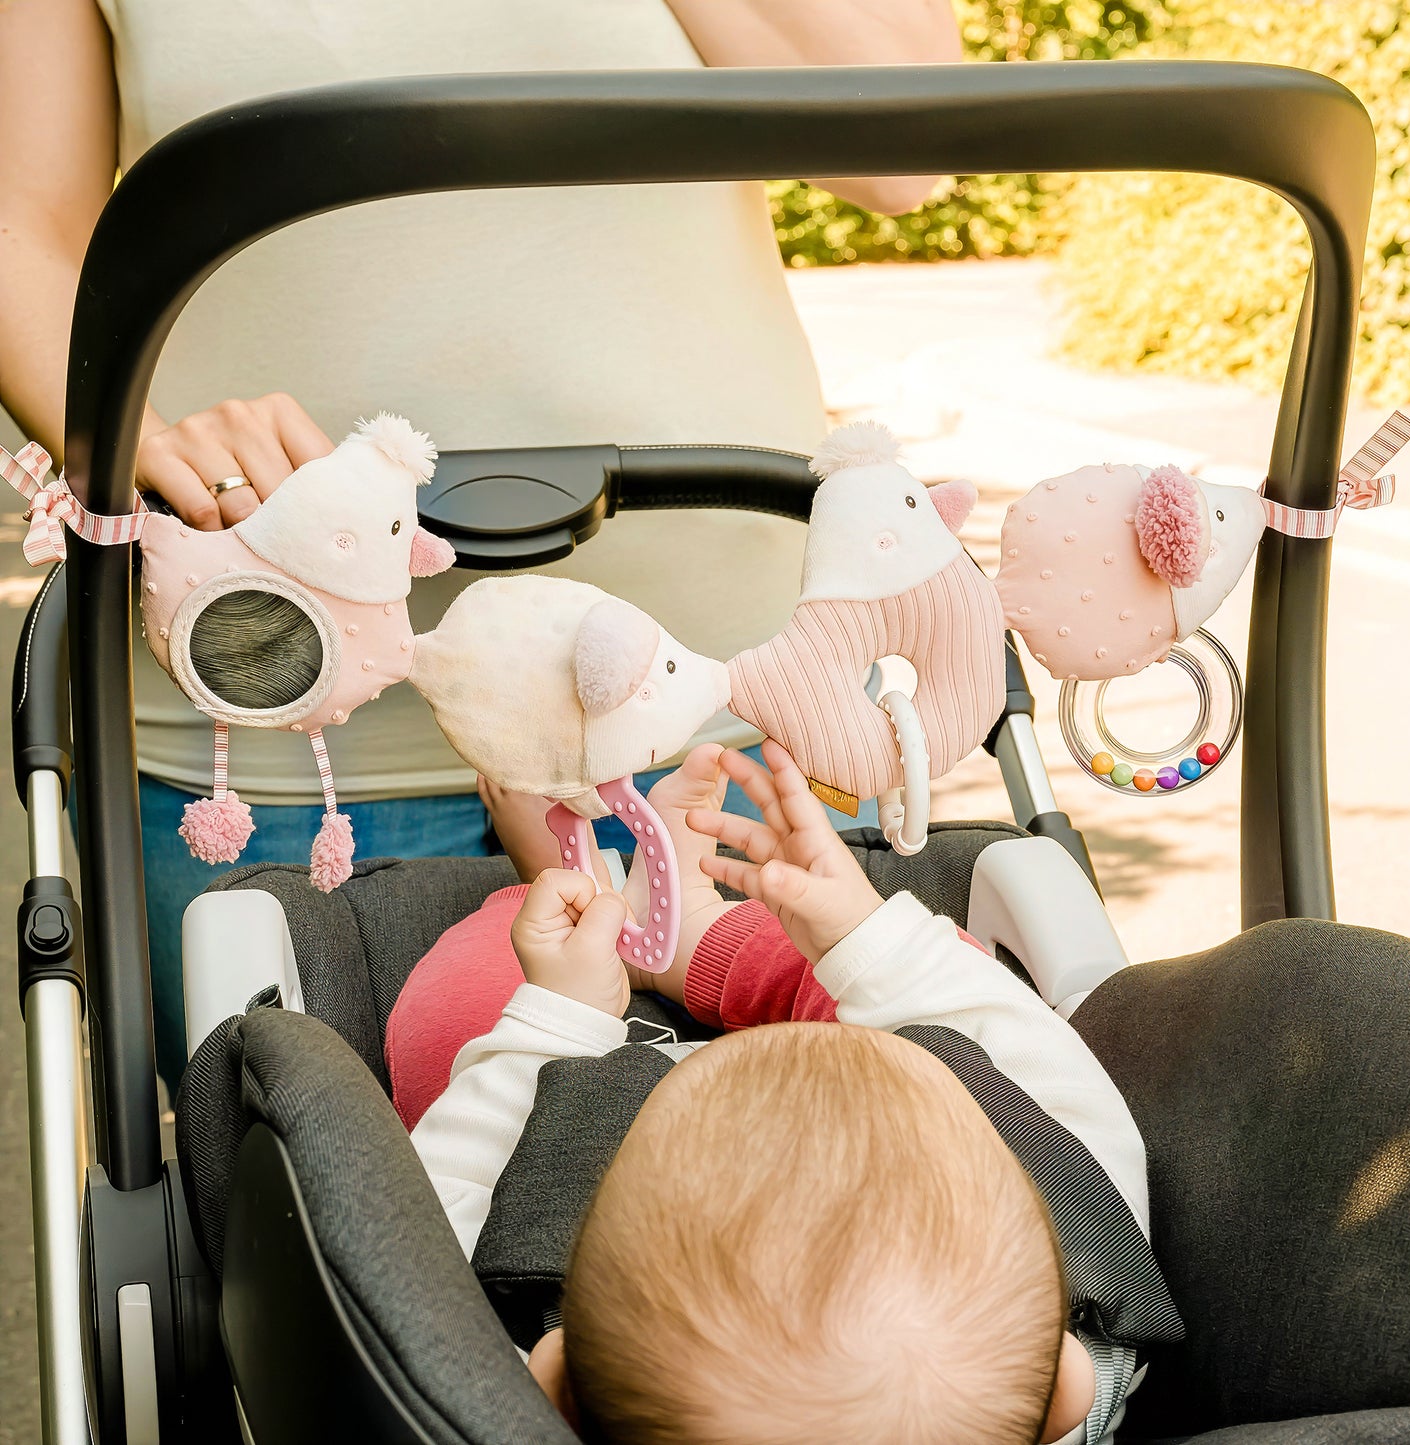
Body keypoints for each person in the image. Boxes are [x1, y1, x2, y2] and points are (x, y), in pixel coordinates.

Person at [0, 0, 964, 1086]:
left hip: (712, 707)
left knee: (828, 1147)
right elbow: (21, 221)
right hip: (275, 719)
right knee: (309, 1175)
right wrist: (142, 435)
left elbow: (902, 151)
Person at [406, 742, 1181, 1443]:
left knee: (462, 1003)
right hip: (853, 1069)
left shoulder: (519, 1397)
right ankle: (690, 939)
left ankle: (562, 883)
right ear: (1064, 1391)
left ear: (551, 1381)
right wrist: (864, 936)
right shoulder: (1065, 1358)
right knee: (929, 1005)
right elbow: (1057, 1095)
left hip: (586, 1106)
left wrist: (558, 1015)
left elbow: (428, 1223)